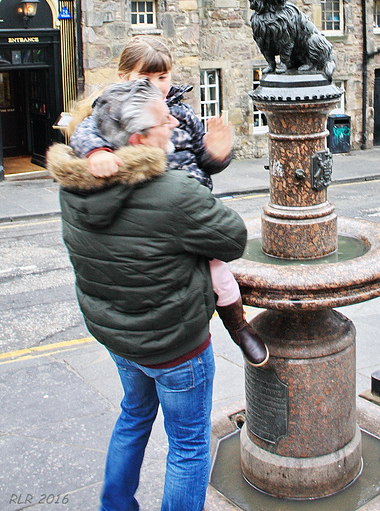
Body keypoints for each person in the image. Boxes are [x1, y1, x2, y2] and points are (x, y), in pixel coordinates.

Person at [47, 79, 248, 511]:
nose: (173, 120)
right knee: (189, 447)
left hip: (120, 338)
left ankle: (114, 505)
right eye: (164, 119)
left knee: (134, 417)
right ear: (138, 139)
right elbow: (233, 239)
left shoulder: (72, 188)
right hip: (175, 347)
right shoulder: (173, 191)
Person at [68, 36, 268, 367]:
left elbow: (202, 159)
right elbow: (84, 133)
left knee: (219, 272)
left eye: (163, 77)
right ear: (124, 78)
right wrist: (98, 153)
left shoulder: (181, 113)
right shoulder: (113, 110)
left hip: (192, 207)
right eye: (146, 79)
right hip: (152, 214)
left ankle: (239, 327)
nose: (158, 86)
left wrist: (217, 154)